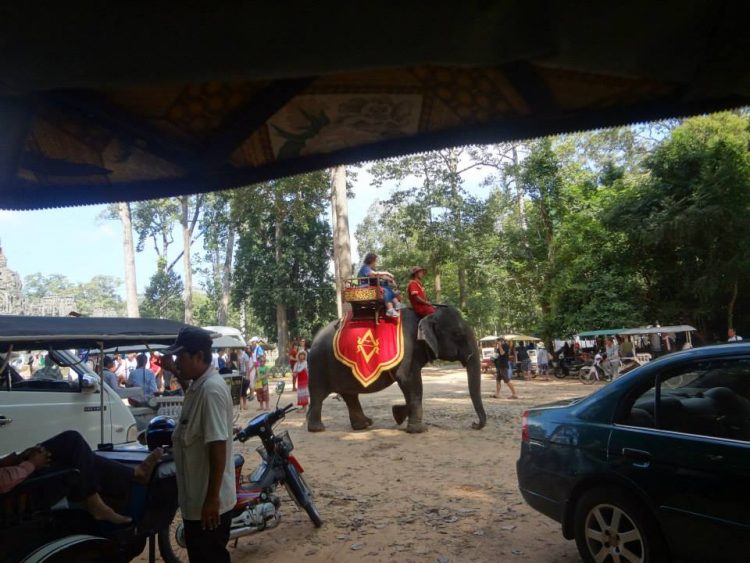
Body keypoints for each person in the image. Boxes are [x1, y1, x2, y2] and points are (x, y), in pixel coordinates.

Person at [160, 326, 236, 563]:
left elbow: (217, 446)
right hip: (198, 501)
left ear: (199, 357)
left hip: (208, 504)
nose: (177, 362)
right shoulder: (199, 385)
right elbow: (189, 390)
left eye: (180, 357)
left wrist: (212, 499)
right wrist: (174, 371)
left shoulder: (211, 391)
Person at [0, 430, 162, 525]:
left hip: (17, 477)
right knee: (75, 456)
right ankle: (95, 503)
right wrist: (31, 465)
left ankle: (135, 474)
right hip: (16, 496)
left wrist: (19, 458)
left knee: (72, 443)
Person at [358, 252, 403, 318]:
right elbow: (375, 274)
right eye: (376, 261)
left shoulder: (369, 269)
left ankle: (397, 304)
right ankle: (390, 309)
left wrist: (390, 279)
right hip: (365, 287)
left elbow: (379, 276)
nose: (376, 263)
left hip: (369, 286)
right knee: (384, 290)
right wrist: (387, 273)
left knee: (386, 287)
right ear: (372, 260)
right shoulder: (365, 268)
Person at [238, 345, 254, 411]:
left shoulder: (245, 355)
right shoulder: (238, 355)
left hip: (244, 375)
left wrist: (247, 375)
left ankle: (244, 406)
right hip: (240, 374)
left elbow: (247, 366)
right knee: (241, 392)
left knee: (243, 392)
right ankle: (242, 406)